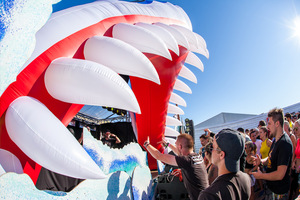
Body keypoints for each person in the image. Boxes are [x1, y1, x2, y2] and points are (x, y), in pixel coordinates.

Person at [143, 134, 208, 200]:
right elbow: (179, 153)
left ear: (180, 146)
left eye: (176, 144)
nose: (175, 146)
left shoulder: (186, 161)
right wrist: (168, 145)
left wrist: (147, 144)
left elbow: (159, 156)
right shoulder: (196, 156)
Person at [251, 108, 293, 199]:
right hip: (271, 188)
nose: (268, 127)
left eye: (269, 123)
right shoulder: (275, 140)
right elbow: (270, 158)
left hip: (279, 192)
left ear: (277, 123)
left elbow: (279, 174)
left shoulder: (284, 143)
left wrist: (261, 176)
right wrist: (261, 161)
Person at [198, 128, 251, 200]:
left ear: (221, 155)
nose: (211, 151)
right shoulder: (245, 178)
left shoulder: (209, 195)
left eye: (213, 147)